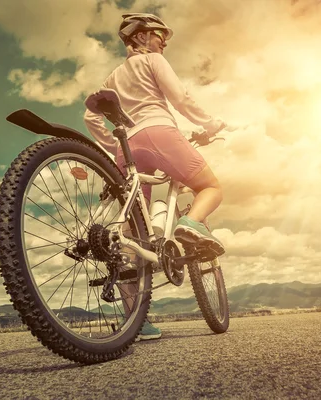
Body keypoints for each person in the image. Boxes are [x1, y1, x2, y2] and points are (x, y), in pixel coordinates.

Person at [84, 13, 227, 341]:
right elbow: (179, 98)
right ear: (139, 37)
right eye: (159, 33)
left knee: (132, 237)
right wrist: (210, 124)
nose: (165, 40)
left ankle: (138, 320)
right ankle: (191, 224)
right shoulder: (153, 60)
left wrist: (113, 144)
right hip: (159, 133)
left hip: (127, 149)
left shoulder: (113, 77)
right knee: (210, 187)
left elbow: (90, 116)